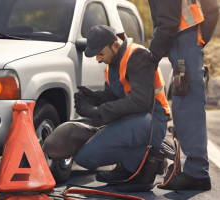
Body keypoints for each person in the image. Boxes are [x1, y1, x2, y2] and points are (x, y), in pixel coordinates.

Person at [44, 25, 170, 192]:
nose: (98, 58)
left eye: (100, 53)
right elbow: (115, 96)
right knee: (83, 158)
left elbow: (141, 102)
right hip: (132, 120)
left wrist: (97, 111)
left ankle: (151, 160)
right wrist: (96, 98)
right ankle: (130, 165)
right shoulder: (111, 66)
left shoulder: (137, 56)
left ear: (115, 45)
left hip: (152, 120)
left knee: (88, 155)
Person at [147, 0, 219, 190]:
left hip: (184, 41)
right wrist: (199, 40)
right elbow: (212, 8)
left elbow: (169, 22)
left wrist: (151, 57)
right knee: (186, 108)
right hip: (187, 42)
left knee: (188, 110)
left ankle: (196, 174)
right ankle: (195, 171)